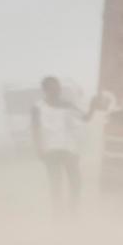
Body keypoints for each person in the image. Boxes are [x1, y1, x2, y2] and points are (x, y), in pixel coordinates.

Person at [30, 76, 87, 214]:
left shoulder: (67, 105)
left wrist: (93, 106)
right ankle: (57, 212)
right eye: (53, 88)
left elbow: (84, 118)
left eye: (58, 87)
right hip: (50, 150)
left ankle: (72, 209)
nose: (57, 90)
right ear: (45, 90)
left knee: (76, 182)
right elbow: (35, 129)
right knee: (56, 183)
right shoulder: (38, 107)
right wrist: (39, 148)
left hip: (69, 149)